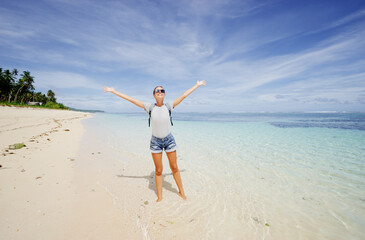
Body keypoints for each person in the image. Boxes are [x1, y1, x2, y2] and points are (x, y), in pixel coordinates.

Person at [103, 80, 206, 202]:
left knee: (174, 167)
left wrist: (197, 85)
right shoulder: (149, 107)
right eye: (158, 90)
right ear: (154, 94)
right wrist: (113, 91)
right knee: (158, 171)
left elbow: (183, 96)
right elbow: (132, 100)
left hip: (169, 140)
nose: (160, 92)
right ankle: (160, 197)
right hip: (155, 142)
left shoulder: (169, 106)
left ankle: (182, 192)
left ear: (164, 94)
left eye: (162, 90)